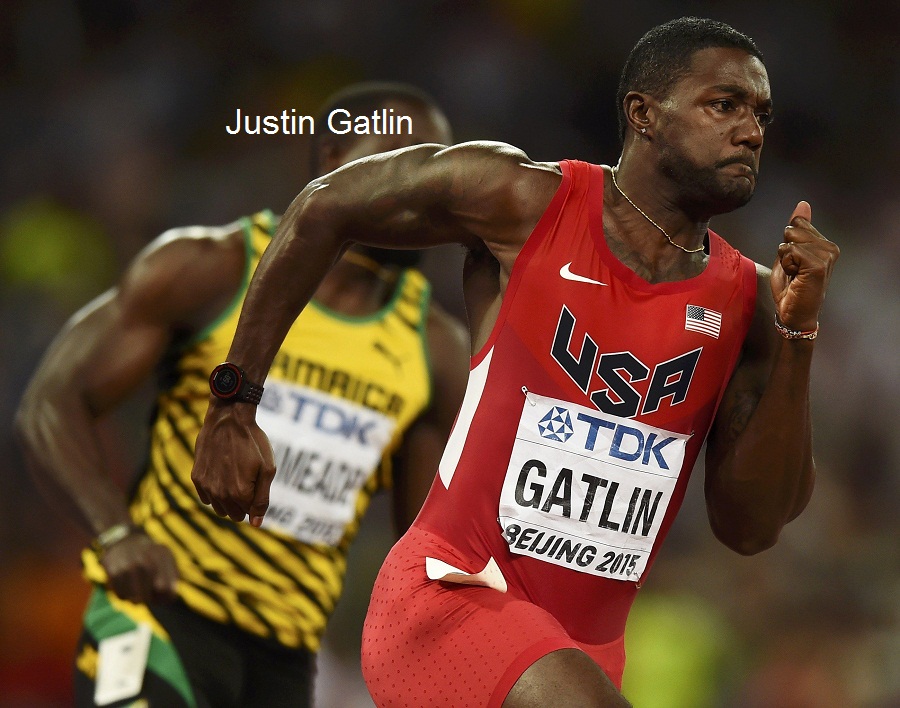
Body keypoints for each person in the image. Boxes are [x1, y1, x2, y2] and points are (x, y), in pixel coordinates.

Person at [190, 17, 839, 708]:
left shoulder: (746, 304)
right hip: (451, 595)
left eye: (761, 114)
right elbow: (325, 206)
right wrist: (234, 400)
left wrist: (797, 337)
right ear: (644, 114)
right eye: (725, 105)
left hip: (579, 654)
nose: (752, 131)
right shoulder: (525, 200)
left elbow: (750, 528)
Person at [16, 82, 469, 707]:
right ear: (336, 168)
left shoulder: (437, 349)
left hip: (284, 663)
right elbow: (49, 403)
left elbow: (417, 549)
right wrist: (115, 532)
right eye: (405, 163)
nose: (429, 191)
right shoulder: (212, 267)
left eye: (441, 171)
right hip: (161, 618)